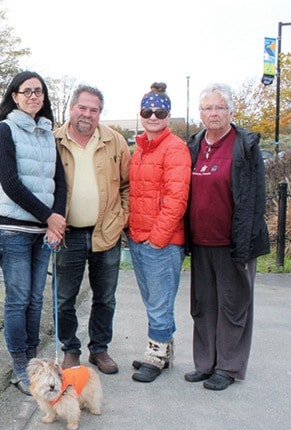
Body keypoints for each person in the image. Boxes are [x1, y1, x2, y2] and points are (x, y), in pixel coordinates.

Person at [184, 83, 270, 390]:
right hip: (201, 241)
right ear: (201, 113)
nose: (214, 113)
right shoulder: (194, 145)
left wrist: (244, 242)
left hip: (234, 242)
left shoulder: (244, 145)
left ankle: (228, 367)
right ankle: (205, 363)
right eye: (208, 108)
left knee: (233, 305)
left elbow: (256, 198)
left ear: (231, 112)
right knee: (203, 305)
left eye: (220, 107)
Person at [0, 71, 67, 395]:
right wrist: (48, 216)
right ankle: (20, 365)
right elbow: (10, 183)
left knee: (36, 300)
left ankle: (34, 360)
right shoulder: (4, 131)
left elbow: (59, 181)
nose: (34, 96)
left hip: (42, 231)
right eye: (28, 91)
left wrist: (58, 218)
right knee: (18, 298)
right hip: (13, 229)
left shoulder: (48, 134)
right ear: (15, 96)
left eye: (39, 92)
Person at [53, 84, 131, 374]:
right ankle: (70, 350)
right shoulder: (54, 141)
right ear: (72, 108)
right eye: (82, 107)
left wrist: (121, 217)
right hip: (67, 234)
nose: (87, 114)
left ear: (100, 113)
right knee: (64, 299)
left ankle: (99, 349)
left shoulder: (115, 141)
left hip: (106, 233)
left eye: (94, 109)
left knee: (105, 297)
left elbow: (127, 184)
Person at [127, 82, 191, 383]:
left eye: (160, 111)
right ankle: (163, 349)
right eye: (147, 111)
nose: (153, 116)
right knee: (153, 300)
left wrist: (157, 239)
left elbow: (176, 200)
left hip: (160, 243)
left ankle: (156, 352)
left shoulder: (175, 149)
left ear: (168, 114)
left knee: (159, 302)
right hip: (138, 237)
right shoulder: (139, 149)